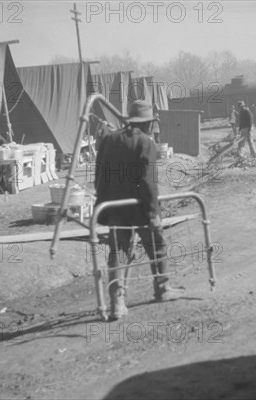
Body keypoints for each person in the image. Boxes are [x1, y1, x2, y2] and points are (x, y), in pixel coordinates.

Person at [94, 100, 184, 320]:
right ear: (147, 123)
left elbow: (98, 175)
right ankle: (162, 289)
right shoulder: (145, 142)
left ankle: (117, 303)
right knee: (157, 245)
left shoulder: (109, 139)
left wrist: (105, 200)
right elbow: (147, 181)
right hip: (139, 208)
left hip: (114, 207)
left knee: (119, 252)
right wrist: (154, 213)